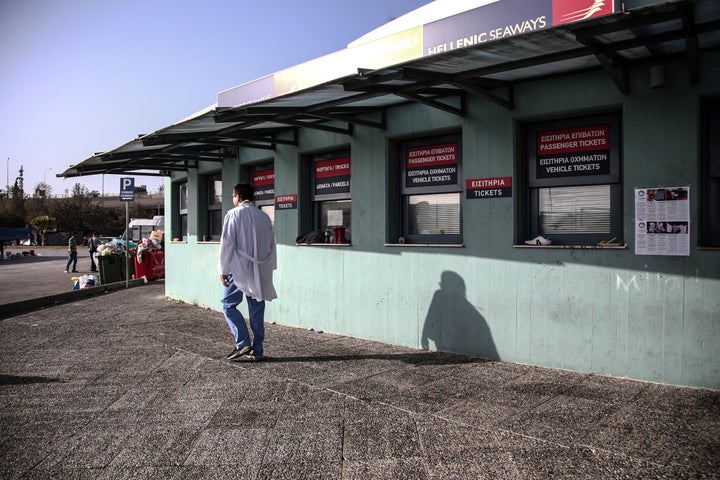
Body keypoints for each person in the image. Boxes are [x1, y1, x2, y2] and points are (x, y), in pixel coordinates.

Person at [218, 183, 277, 362]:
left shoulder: (233, 214)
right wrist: (268, 266)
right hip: (260, 268)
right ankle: (257, 350)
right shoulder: (264, 217)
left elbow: (227, 243)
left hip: (239, 269)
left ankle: (242, 341)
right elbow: (271, 244)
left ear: (237, 196)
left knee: (228, 304)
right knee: (257, 307)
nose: (232, 199)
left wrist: (223, 269)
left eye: (232, 196)